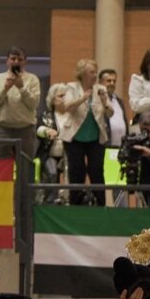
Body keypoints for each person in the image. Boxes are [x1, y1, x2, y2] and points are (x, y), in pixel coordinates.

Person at [56, 59, 111, 206]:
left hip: (96, 138)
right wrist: (82, 98)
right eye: (92, 72)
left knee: (97, 172)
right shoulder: (71, 87)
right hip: (75, 138)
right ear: (82, 74)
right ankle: (75, 205)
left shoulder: (101, 89)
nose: (95, 75)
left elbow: (110, 113)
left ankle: (101, 205)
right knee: (76, 173)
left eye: (96, 72)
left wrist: (105, 102)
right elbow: (67, 108)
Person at [0, 46, 42, 164]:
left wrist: (22, 87)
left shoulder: (33, 79)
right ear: (7, 60)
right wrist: (5, 89)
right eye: (13, 58)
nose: (16, 62)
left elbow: (34, 104)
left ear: (25, 62)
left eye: (20, 59)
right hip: (2, 129)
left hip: (25, 129)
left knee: (26, 165)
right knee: (1, 166)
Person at [100, 68, 128, 148]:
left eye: (114, 81)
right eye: (109, 81)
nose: (112, 83)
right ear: (100, 82)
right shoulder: (97, 100)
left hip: (120, 146)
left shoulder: (119, 101)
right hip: (105, 146)